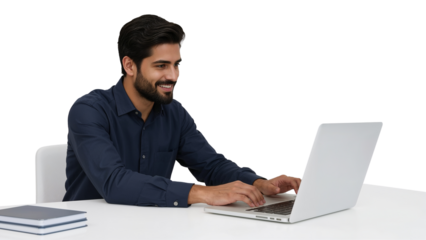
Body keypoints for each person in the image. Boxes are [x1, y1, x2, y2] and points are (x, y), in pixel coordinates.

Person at [63, 13, 301, 208]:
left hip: (151, 227)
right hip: (88, 229)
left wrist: (259, 183)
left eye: (177, 64)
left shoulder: (174, 112)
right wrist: (202, 193)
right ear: (129, 65)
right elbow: (114, 183)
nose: (174, 76)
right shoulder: (88, 111)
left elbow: (211, 165)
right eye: (161, 66)